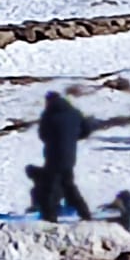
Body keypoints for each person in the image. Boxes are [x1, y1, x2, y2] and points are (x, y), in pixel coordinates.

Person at [36, 92, 94, 222]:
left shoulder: (49, 115)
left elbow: (43, 134)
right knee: (68, 185)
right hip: (69, 157)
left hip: (53, 156)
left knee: (50, 187)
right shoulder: (74, 112)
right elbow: (87, 128)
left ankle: (49, 217)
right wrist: (73, 138)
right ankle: (84, 212)